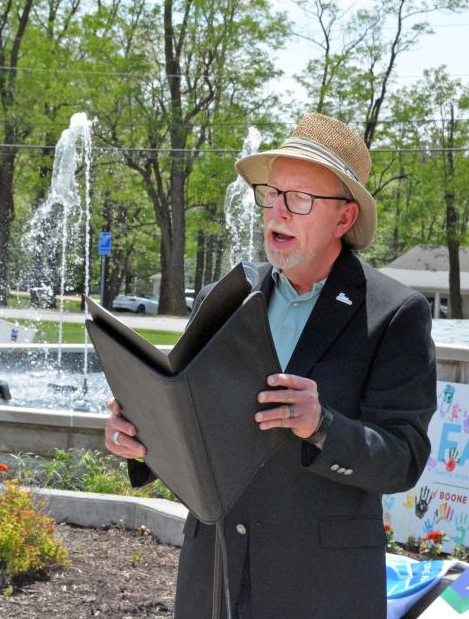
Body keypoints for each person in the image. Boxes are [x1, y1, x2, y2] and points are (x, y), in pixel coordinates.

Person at [104, 112, 436, 619]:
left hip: (320, 584)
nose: (277, 212)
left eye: (299, 199)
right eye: (272, 193)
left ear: (343, 219)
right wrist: (143, 437)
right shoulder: (226, 296)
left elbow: (403, 459)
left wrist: (322, 425)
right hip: (214, 568)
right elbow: (196, 421)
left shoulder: (393, 313)